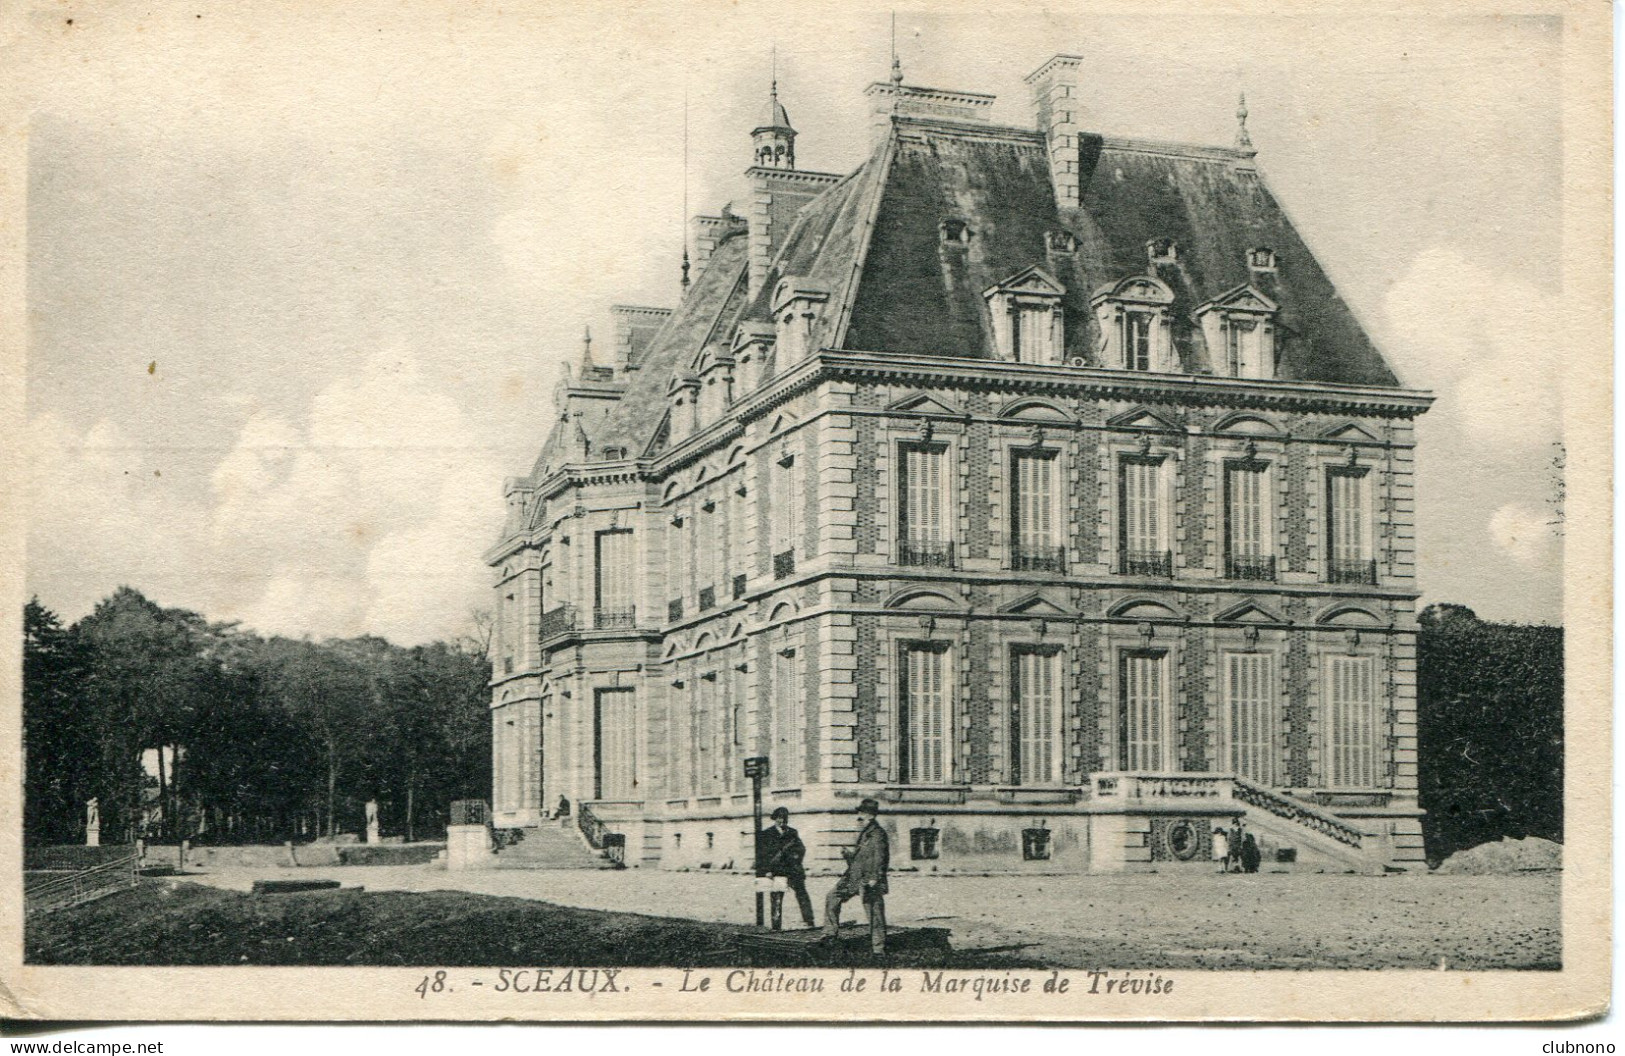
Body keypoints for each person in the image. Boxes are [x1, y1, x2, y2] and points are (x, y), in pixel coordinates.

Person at [824, 798, 890, 954]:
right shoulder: (864, 832)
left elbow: (881, 857)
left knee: (875, 914)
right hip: (853, 877)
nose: (858, 816)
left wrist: (876, 877)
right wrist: (848, 855)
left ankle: (878, 949)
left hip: (869, 879)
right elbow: (860, 858)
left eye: (861, 813)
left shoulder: (878, 834)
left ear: (869, 815)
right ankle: (830, 934)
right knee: (832, 897)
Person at [757, 807, 816, 929]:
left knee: (802, 894)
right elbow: (762, 854)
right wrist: (767, 870)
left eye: (784, 818)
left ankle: (809, 921)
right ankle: (776, 925)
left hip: (793, 870)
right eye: (779, 818)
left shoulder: (793, 832)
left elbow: (801, 849)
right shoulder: (767, 834)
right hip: (776, 871)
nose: (782, 821)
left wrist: (795, 857)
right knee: (776, 898)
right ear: (774, 818)